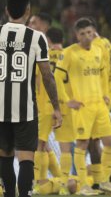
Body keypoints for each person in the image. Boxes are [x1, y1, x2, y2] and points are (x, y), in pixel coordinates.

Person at [0, 0, 62, 197]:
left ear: (7, 9)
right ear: (28, 10)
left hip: (0, 109)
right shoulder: (37, 38)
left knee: (5, 157)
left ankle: (9, 194)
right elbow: (47, 75)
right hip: (25, 109)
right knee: (27, 158)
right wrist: (56, 107)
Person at [54, 17, 111, 196]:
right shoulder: (68, 53)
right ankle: (83, 185)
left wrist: (106, 93)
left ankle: (104, 180)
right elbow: (57, 78)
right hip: (82, 107)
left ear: (94, 33)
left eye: (89, 32)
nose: (86, 36)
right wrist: (67, 100)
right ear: (76, 35)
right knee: (82, 144)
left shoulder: (99, 51)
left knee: (109, 142)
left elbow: (104, 74)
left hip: (99, 105)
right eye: (82, 33)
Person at [28, 14, 68, 195]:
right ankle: (60, 179)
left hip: (43, 104)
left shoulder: (39, 49)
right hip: (64, 104)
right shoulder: (66, 53)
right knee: (46, 145)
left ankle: (39, 182)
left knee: (39, 144)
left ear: (44, 26)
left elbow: (40, 78)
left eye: (33, 23)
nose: (30, 26)